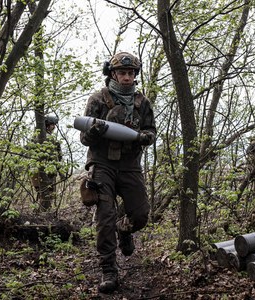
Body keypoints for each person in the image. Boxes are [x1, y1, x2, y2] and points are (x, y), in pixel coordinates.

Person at [79, 52, 156, 293]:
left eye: (131, 73)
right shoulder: (98, 100)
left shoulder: (142, 103)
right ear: (112, 74)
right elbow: (84, 137)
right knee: (105, 217)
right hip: (102, 164)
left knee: (141, 214)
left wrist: (145, 137)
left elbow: (151, 131)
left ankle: (125, 230)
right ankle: (109, 270)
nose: (126, 77)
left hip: (130, 164)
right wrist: (95, 131)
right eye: (122, 73)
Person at [30, 114, 63, 211]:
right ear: (48, 125)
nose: (54, 127)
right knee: (47, 196)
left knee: (41, 195)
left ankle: (38, 214)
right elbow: (55, 158)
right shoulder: (49, 138)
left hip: (35, 172)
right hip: (47, 173)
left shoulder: (35, 137)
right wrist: (61, 173)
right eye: (53, 124)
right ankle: (44, 217)